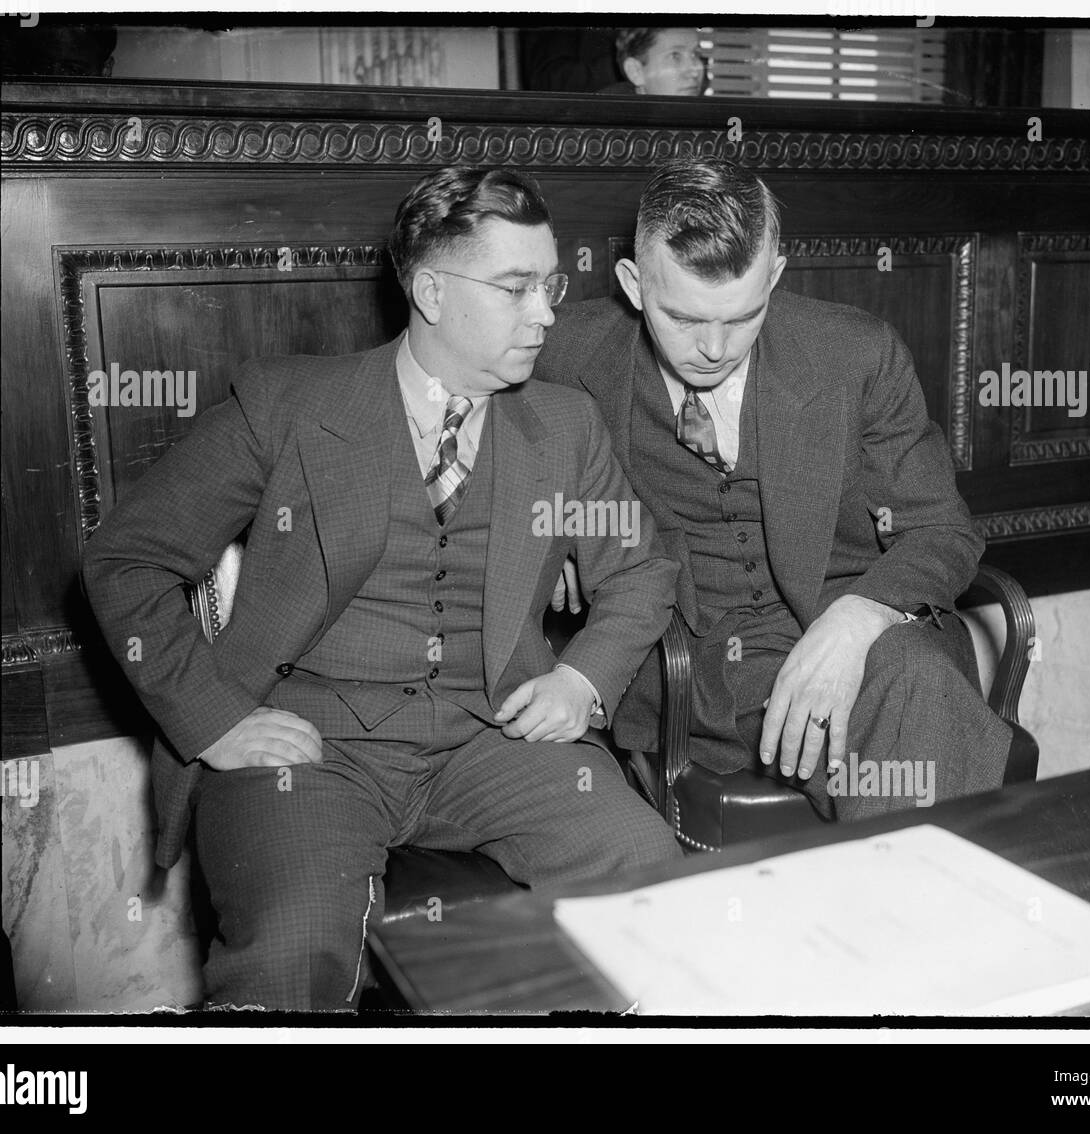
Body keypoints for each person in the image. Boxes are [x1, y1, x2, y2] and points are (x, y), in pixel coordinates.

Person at [82, 166, 683, 1010]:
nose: (547, 311)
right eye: (517, 288)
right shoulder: (289, 406)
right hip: (316, 747)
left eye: (550, 285)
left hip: (492, 738)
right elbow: (127, 561)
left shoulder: (565, 425)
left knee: (646, 869)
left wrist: (581, 677)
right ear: (431, 290)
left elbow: (643, 570)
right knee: (295, 944)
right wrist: (214, 719)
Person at [537, 157, 1012, 833]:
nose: (712, 348)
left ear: (776, 279)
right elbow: (466, 430)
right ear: (633, 285)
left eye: (742, 317)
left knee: (917, 681)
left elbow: (942, 529)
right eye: (683, 318)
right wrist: (552, 531)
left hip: (869, 656)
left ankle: (908, 923)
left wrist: (859, 617)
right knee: (933, 741)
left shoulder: (856, 354)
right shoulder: (567, 351)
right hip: (694, 672)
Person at [600, 28, 707, 96]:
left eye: (696, 54)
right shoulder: (602, 126)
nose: (695, 72)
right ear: (636, 72)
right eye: (675, 56)